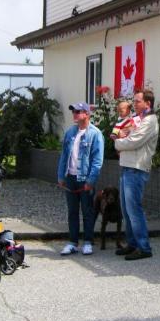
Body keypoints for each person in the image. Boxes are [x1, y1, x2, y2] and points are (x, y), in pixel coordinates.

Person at [113, 89, 158, 261]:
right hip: (127, 166)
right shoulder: (138, 120)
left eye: (138, 101)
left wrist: (118, 142)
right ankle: (132, 244)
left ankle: (144, 247)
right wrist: (124, 135)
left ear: (148, 103)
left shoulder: (150, 120)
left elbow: (133, 140)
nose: (135, 104)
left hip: (136, 168)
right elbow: (125, 133)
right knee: (126, 209)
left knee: (134, 209)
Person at [57, 102, 104, 256]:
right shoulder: (70, 132)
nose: (75, 114)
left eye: (78, 112)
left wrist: (91, 181)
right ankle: (73, 242)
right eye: (73, 112)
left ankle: (88, 241)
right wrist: (61, 176)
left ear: (87, 114)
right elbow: (64, 155)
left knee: (87, 211)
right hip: (70, 177)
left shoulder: (95, 134)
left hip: (85, 178)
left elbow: (97, 160)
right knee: (72, 211)